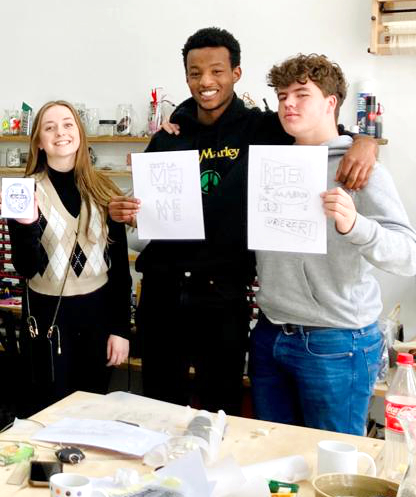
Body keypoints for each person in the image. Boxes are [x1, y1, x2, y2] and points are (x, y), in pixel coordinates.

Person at [108, 27, 377, 415]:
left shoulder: (262, 127)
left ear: (236, 73)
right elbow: (145, 213)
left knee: (222, 412)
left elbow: (320, 133)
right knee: (159, 409)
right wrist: (126, 213)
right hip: (162, 294)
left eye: (217, 71)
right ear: (185, 76)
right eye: (195, 72)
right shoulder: (169, 135)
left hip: (223, 296)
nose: (206, 82)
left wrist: (363, 141)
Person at [250, 54, 416, 435]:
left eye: (301, 94)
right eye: (281, 96)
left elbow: (408, 255)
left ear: (330, 103)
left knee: (335, 469)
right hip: (270, 333)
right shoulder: (269, 163)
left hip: (335, 342)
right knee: (274, 462)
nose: (288, 103)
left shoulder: (360, 168)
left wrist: (355, 224)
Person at [7, 101, 131, 414]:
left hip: (98, 313)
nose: (60, 132)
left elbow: (119, 268)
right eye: (49, 127)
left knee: (93, 411)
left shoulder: (105, 190)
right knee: (49, 412)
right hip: (49, 316)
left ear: (79, 133)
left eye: (67, 124)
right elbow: (25, 267)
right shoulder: (24, 191)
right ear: (38, 140)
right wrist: (25, 227)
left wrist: (120, 329)